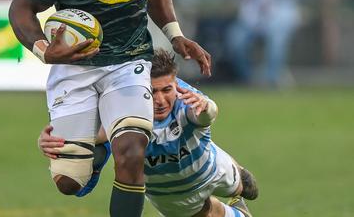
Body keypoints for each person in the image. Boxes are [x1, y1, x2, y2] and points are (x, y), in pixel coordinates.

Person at [8, 0, 211, 217]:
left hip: (129, 61)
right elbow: (21, 10)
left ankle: (113, 145)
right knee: (69, 182)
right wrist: (44, 51)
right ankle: (95, 152)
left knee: (132, 153)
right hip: (76, 69)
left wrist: (174, 34)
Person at [39, 49, 259, 217]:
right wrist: (53, 140)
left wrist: (207, 106)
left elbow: (206, 115)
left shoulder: (187, 98)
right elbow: (93, 135)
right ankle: (236, 212)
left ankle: (238, 178)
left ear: (175, 84)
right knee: (206, 213)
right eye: (152, 92)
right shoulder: (122, 106)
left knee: (247, 187)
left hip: (210, 166)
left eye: (166, 90)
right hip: (170, 191)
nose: (161, 100)